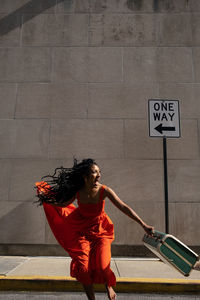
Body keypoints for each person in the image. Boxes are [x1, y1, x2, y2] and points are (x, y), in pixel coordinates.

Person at [35, 158, 154, 300]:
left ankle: (108, 285)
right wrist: (46, 199)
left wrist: (143, 224)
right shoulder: (78, 191)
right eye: (94, 172)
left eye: (99, 172)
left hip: (101, 231)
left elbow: (124, 207)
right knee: (83, 267)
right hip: (81, 230)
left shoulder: (104, 190)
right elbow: (62, 204)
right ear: (85, 177)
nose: (99, 175)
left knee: (103, 265)